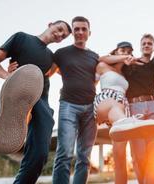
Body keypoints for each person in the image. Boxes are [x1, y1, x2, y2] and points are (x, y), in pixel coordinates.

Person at [0, 20, 71, 184]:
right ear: (50, 24)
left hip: (42, 100)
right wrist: (7, 75)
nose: (60, 35)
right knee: (22, 96)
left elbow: (59, 72)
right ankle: (17, 111)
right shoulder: (21, 38)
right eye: (59, 29)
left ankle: (25, 116)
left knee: (40, 155)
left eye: (64, 36)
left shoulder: (52, 57)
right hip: (18, 92)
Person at [100, 35, 154, 184]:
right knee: (139, 154)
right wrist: (124, 58)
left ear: (153, 47)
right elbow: (103, 59)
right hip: (135, 107)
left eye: (150, 44)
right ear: (140, 47)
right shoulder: (129, 64)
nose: (147, 45)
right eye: (144, 43)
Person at [51, 16, 99, 184]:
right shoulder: (62, 53)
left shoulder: (94, 56)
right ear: (72, 32)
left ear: (89, 33)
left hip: (91, 109)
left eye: (83, 29)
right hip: (68, 106)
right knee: (64, 154)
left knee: (84, 156)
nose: (80, 32)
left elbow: (97, 78)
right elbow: (48, 72)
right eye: (76, 29)